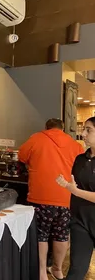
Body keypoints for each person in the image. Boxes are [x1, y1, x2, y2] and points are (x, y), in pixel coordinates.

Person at [19, 118, 84, 280]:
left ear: (46, 128)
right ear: (62, 129)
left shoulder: (36, 138)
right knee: (61, 235)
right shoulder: (75, 144)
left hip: (40, 197)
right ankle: (57, 270)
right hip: (66, 198)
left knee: (41, 235)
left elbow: (21, 156)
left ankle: (41, 273)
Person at [56, 116, 95, 280]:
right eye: (83, 129)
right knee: (76, 271)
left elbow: (77, 190)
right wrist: (67, 185)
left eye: (89, 130)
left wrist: (74, 190)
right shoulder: (80, 159)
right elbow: (77, 185)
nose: (83, 134)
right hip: (80, 222)